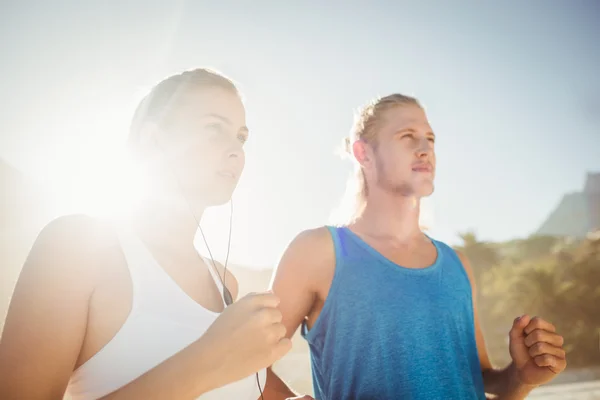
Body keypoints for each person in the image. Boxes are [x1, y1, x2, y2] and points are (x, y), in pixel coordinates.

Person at [0, 68, 292, 400]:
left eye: (240, 136)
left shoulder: (224, 283)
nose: (236, 150)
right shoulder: (78, 247)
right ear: (154, 140)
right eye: (214, 129)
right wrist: (206, 362)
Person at [265, 94, 567, 399]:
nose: (425, 150)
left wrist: (522, 377)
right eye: (407, 137)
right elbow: (246, 368)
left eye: (430, 139)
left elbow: (482, 380)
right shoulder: (317, 252)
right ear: (364, 153)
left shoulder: (456, 264)